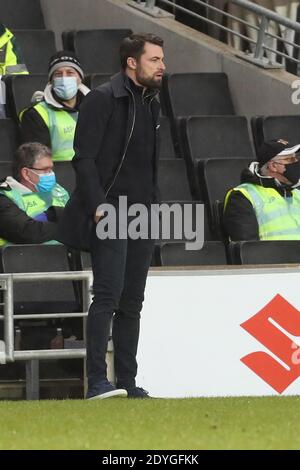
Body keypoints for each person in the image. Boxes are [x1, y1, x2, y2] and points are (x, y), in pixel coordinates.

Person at [58, 33, 166, 399]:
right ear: (132, 63)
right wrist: (98, 206)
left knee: (133, 300)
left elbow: (148, 164)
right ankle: (97, 382)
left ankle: (127, 381)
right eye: (154, 60)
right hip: (109, 209)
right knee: (107, 295)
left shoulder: (152, 101)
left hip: (142, 213)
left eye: (161, 60)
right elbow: (83, 159)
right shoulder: (102, 99)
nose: (162, 66)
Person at [19, 51, 90, 162]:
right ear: (51, 80)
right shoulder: (36, 114)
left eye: (70, 73)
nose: (64, 78)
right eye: (58, 74)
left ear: (80, 78)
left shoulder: (96, 107)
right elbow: (38, 161)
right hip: (58, 176)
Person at [223, 139, 300, 241]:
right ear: (273, 166)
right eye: (290, 159)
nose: (296, 163)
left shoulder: (297, 194)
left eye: (295, 158)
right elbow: (248, 249)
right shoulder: (242, 196)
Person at [0, 142, 69, 246]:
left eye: (51, 169)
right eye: (45, 170)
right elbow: (25, 232)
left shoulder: (58, 191)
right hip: (25, 259)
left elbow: (78, 218)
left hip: (68, 256)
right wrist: (68, 228)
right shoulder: (5, 196)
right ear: (26, 173)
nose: (51, 175)